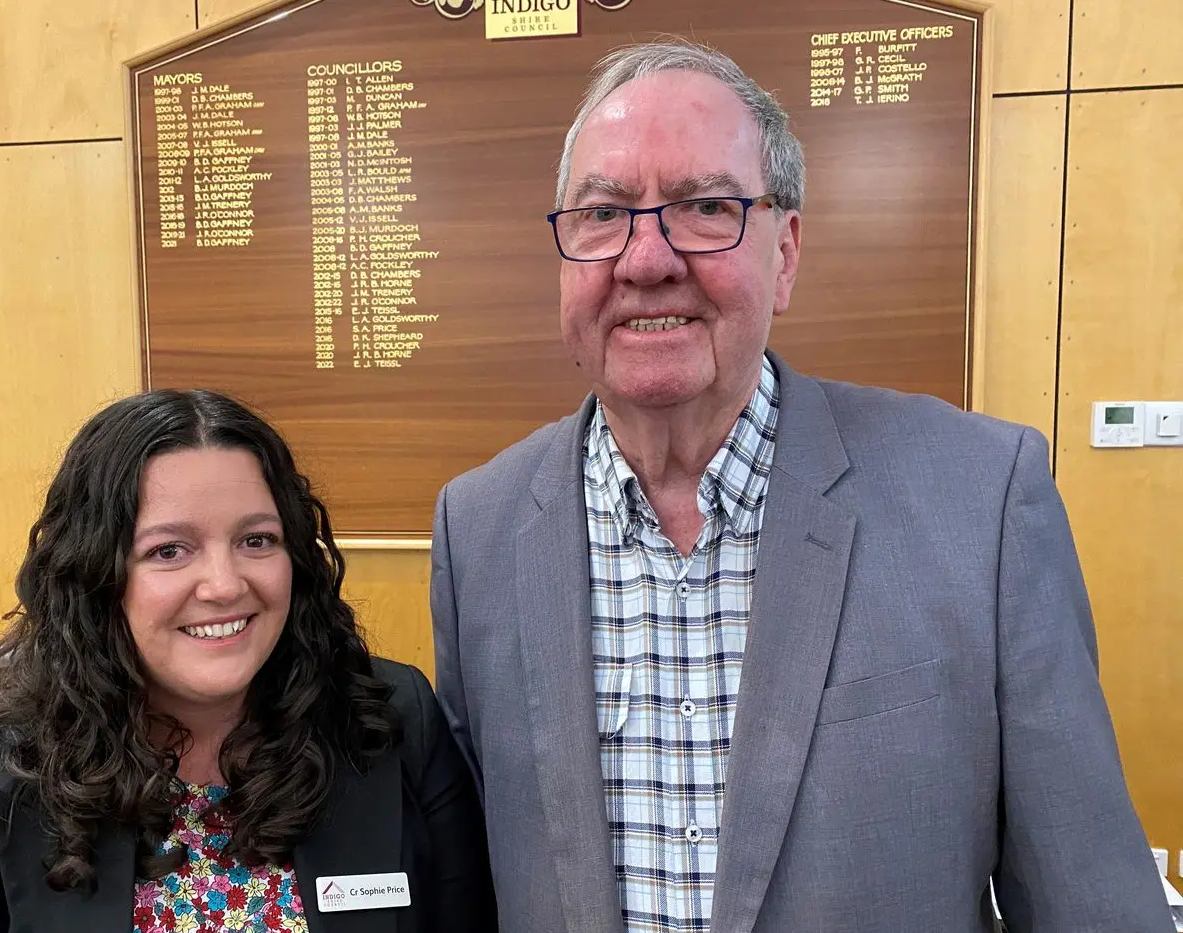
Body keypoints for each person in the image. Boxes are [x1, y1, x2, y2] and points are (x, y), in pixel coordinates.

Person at [428, 38, 1172, 933]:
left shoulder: (982, 501)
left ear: (785, 253)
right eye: (604, 213)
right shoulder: (479, 529)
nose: (647, 257)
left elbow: (1092, 905)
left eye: (705, 207)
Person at [0, 389, 497, 933]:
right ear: (96, 576)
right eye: (170, 550)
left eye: (257, 540)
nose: (224, 584)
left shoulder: (392, 722)